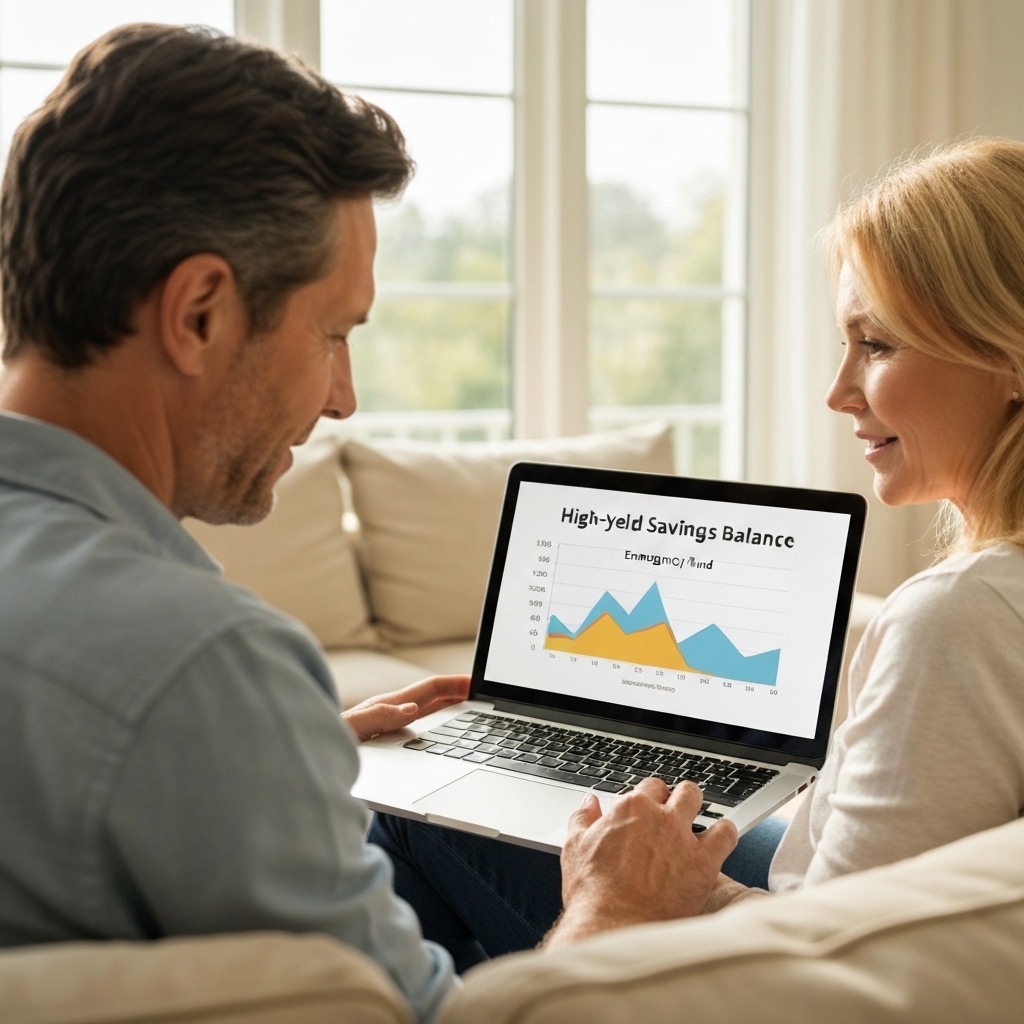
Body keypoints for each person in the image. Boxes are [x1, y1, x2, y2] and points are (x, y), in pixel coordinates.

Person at [0, 23, 737, 1022]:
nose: (342, 398)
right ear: (200, 312)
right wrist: (615, 903)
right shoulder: (200, 663)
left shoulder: (180, 687)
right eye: (334, 333)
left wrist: (267, 756)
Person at [369, 137, 1024, 960]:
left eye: (877, 344)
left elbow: (827, 969)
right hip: (809, 896)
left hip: (778, 965)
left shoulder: (958, 620)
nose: (836, 390)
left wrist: (639, 896)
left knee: (401, 820)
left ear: (1010, 358)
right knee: (444, 819)